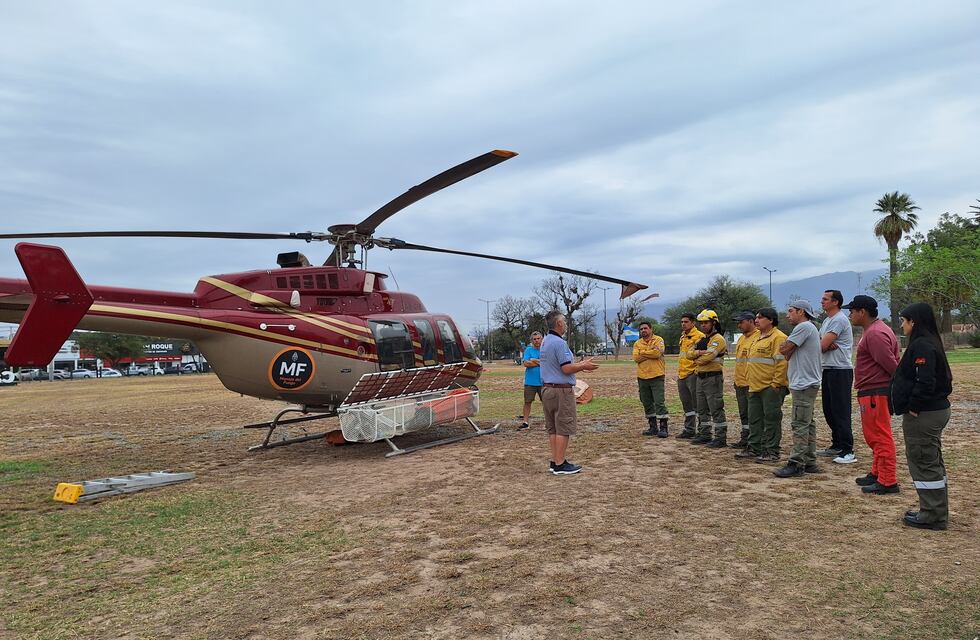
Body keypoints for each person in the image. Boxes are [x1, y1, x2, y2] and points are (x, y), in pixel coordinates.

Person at [892, 303, 953, 530]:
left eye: (904, 320)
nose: (902, 325)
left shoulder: (923, 346)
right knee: (931, 460)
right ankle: (935, 508)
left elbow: (925, 381)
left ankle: (933, 515)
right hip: (934, 410)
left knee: (924, 461)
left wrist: (915, 406)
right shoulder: (929, 342)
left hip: (925, 413)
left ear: (913, 321)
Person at [844, 295, 900, 494]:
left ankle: (888, 480)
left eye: (852, 310)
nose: (849, 314)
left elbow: (891, 365)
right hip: (872, 390)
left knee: (879, 435)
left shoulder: (875, 333)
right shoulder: (875, 330)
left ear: (862, 312)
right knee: (874, 435)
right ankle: (877, 473)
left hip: (876, 391)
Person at [539, 310, 598, 475]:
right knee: (563, 427)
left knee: (553, 428)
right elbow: (565, 368)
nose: (565, 324)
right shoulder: (559, 343)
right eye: (564, 321)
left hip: (547, 389)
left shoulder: (545, 341)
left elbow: (557, 366)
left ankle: (555, 460)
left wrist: (578, 366)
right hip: (561, 391)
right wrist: (583, 365)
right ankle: (560, 464)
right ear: (558, 323)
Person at [774, 300, 823, 477]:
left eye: (791, 311)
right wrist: (788, 349)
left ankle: (796, 463)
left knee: (800, 423)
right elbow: (787, 353)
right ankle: (810, 460)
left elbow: (785, 350)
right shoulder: (810, 328)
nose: (787, 315)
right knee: (808, 422)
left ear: (801, 312)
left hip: (803, 383)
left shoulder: (803, 327)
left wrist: (786, 347)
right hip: (808, 382)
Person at [736, 307, 788, 462]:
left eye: (760, 318)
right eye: (756, 317)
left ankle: (772, 451)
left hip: (770, 387)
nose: (756, 320)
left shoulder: (778, 337)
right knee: (754, 419)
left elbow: (782, 363)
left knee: (771, 419)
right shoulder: (757, 337)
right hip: (754, 386)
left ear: (771, 320)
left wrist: (776, 384)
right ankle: (754, 447)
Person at [817, 289, 856, 462]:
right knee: (829, 410)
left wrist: (825, 342)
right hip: (828, 369)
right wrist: (824, 342)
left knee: (841, 411)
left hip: (840, 370)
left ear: (835, 302)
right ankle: (837, 444)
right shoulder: (827, 320)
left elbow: (821, 345)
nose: (822, 302)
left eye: (825, 299)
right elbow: (818, 343)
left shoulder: (839, 319)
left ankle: (847, 450)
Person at [685, 309, 728, 447]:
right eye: (701, 323)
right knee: (702, 409)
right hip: (700, 377)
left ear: (714, 323)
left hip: (712, 378)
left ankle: (720, 437)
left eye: (706, 322)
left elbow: (707, 358)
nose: (703, 325)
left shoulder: (718, 339)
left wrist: (697, 358)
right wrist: (699, 353)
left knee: (716, 408)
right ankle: (705, 434)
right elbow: (688, 353)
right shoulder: (703, 339)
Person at [633, 321, 668, 437]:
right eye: (641, 329)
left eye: (645, 328)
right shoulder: (637, 343)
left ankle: (663, 428)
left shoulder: (658, 340)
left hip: (657, 376)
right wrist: (650, 352)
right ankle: (653, 427)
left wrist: (643, 353)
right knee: (646, 402)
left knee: (659, 402)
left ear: (651, 329)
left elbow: (658, 353)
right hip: (642, 377)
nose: (643, 330)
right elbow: (636, 358)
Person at [730, 311, 759, 449]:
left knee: (754, 414)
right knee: (744, 414)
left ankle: (755, 441)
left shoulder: (758, 337)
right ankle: (745, 437)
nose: (739, 325)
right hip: (740, 382)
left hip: (752, 383)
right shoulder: (742, 339)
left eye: (741, 322)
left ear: (751, 321)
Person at [676, 313, 705, 439]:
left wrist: (695, 371)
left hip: (692, 373)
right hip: (682, 374)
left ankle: (702, 430)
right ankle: (689, 429)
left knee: (697, 404)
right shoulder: (683, 336)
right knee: (686, 404)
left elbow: (702, 355)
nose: (683, 324)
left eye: (686, 321)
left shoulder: (699, 336)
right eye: (682, 321)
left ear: (693, 323)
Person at [518, 332, 544, 431]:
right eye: (534, 339)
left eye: (538, 338)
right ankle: (525, 422)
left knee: (546, 403)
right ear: (531, 340)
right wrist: (539, 362)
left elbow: (547, 363)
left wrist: (534, 360)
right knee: (527, 402)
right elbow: (526, 363)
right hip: (530, 382)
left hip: (543, 381)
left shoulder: (545, 350)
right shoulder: (528, 350)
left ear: (541, 339)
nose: (536, 340)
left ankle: (550, 422)